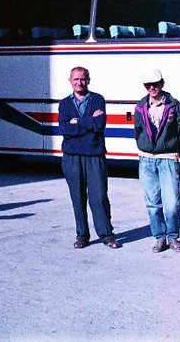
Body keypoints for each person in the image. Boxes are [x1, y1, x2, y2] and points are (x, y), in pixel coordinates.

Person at [58, 66, 120, 249]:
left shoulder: (97, 99)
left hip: (94, 156)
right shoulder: (64, 104)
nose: (79, 82)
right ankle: (82, 235)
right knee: (77, 197)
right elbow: (64, 129)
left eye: (83, 79)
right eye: (75, 79)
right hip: (72, 157)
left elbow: (99, 125)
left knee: (99, 196)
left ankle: (107, 235)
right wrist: (88, 122)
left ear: (88, 80)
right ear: (70, 81)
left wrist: (76, 121)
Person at [134, 69, 180, 252]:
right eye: (148, 85)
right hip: (146, 160)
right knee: (153, 203)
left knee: (172, 204)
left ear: (162, 83)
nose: (152, 88)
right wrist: (145, 147)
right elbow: (138, 131)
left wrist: (173, 150)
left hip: (168, 159)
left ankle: (173, 238)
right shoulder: (141, 106)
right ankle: (159, 238)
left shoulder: (175, 106)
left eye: (155, 84)